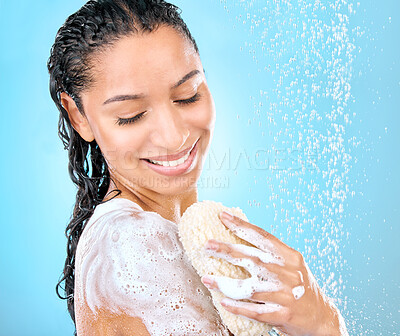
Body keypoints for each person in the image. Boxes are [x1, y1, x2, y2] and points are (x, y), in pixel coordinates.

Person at [47, 0, 348, 335]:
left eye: (188, 95)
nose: (174, 136)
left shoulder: (181, 236)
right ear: (77, 115)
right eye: (131, 115)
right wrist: (322, 322)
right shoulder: (130, 246)